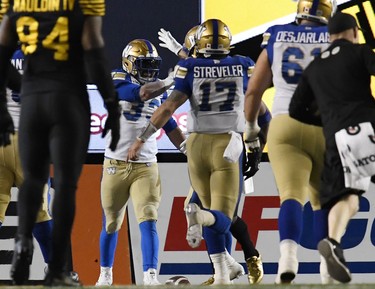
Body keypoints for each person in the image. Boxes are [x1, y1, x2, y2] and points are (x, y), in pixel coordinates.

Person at [0, 0, 121, 286]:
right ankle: (57, 269)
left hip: (32, 99)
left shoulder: (18, 3)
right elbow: (94, 50)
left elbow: (2, 52)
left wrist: (3, 106)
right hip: (68, 97)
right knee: (65, 184)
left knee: (32, 180)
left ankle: (21, 243)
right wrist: (111, 103)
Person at [128, 18, 253, 285]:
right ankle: (227, 268)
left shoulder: (190, 66)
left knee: (219, 213)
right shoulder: (241, 64)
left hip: (206, 143)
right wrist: (257, 141)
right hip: (231, 142)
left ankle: (239, 261)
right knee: (217, 211)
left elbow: (189, 74)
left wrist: (142, 138)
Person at [158, 24, 270, 285]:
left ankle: (247, 257)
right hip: (217, 148)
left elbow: (264, 115)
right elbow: (198, 64)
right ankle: (225, 269)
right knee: (208, 211)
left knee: (223, 215)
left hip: (228, 149)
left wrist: (255, 151)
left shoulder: (209, 67)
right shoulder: (225, 66)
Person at [243, 0, 337, 284]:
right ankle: (326, 267)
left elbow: (254, 91)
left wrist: (250, 129)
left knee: (291, 196)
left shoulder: (277, 34)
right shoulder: (336, 36)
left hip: (285, 122)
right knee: (323, 202)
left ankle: (287, 257)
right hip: (323, 124)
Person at [289, 12, 375, 283]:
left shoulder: (314, 66)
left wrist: (325, 119)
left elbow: (295, 109)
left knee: (348, 196)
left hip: (336, 137)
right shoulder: (360, 52)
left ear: (329, 37)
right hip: (368, 128)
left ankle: (334, 243)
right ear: (353, 32)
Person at [95, 39, 185, 286]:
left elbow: (169, 125)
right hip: (115, 164)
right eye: (143, 65)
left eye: (151, 65)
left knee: (148, 218)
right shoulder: (116, 80)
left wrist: (187, 148)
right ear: (128, 63)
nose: (148, 71)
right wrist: (168, 81)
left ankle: (150, 276)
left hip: (146, 166)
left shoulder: (159, 91)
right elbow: (140, 93)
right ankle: (105, 274)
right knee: (111, 222)